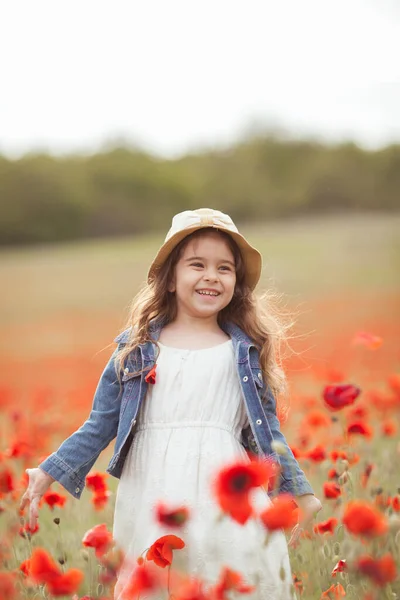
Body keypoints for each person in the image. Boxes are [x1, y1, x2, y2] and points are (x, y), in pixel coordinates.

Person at [20, 208, 322, 599]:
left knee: (230, 578)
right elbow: (100, 423)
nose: (211, 276)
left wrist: (300, 493)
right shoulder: (137, 349)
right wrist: (47, 471)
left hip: (225, 496)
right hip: (153, 492)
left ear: (237, 284)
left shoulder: (243, 353)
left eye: (225, 268)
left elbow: (269, 434)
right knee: (158, 584)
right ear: (170, 280)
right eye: (197, 264)